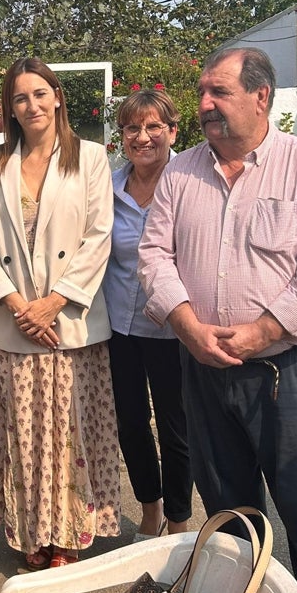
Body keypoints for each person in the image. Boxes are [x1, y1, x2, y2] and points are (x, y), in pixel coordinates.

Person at [137, 47, 297, 593]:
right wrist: (187, 326)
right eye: (204, 93)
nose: (205, 104)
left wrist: (264, 330)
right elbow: (155, 255)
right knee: (230, 518)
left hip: (289, 374)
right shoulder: (182, 171)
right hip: (204, 370)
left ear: (261, 97)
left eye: (219, 93)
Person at [0, 57, 120, 570]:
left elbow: (100, 234)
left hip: (71, 322)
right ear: (9, 108)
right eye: (18, 97)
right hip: (14, 326)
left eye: (38, 94)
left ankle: (71, 530)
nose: (30, 105)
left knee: (71, 432)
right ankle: (32, 529)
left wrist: (56, 301)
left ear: (57, 97)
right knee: (25, 436)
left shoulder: (91, 157)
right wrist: (17, 305)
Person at [102, 88, 193, 541]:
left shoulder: (192, 184)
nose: (143, 137)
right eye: (132, 128)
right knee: (131, 423)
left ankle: (179, 518)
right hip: (120, 327)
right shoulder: (109, 188)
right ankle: (150, 508)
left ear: (172, 131)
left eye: (154, 126)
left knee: (178, 428)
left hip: (174, 329)